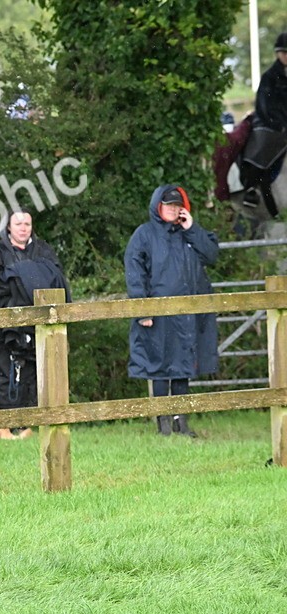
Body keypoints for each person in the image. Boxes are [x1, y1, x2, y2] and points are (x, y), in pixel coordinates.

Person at [124, 185, 219, 437]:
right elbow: (135, 272)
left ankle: (181, 423)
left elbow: (211, 256)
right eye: (169, 205)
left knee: (182, 366)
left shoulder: (189, 234)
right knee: (158, 366)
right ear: (159, 206)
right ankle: (163, 424)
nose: (173, 209)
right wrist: (142, 309)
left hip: (187, 315)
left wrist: (192, 229)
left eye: (178, 205)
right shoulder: (144, 235)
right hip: (157, 314)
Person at [0, 210, 71, 410]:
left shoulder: (44, 251)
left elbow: (56, 282)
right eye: (18, 224)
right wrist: (28, 278)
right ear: (9, 227)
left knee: (37, 380)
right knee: (1, 383)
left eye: (27, 224)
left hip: (37, 330)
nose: (23, 228)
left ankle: (37, 419)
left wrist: (16, 275)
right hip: (1, 334)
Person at [240, 32, 287, 215]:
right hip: (268, 123)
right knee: (263, 144)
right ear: (278, 53)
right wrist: (278, 123)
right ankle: (251, 186)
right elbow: (263, 105)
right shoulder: (270, 76)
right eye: (284, 53)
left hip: (284, 124)